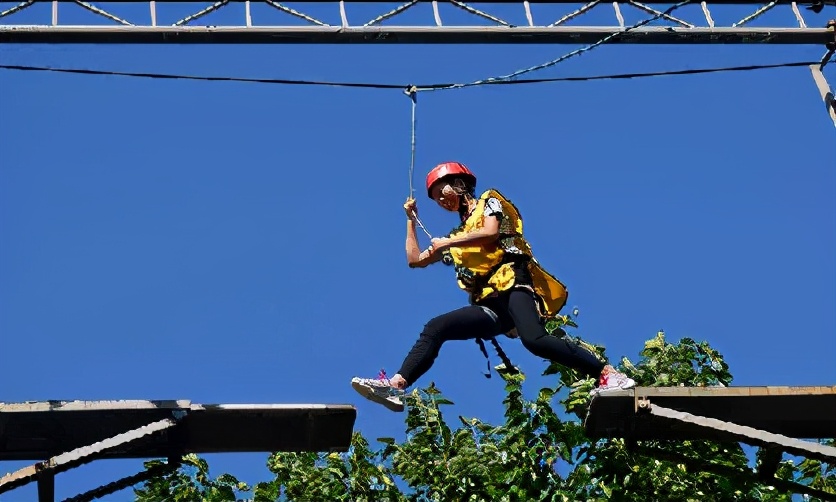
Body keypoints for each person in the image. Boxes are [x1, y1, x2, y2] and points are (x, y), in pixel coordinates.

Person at [351, 161, 635, 412]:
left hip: (514, 284)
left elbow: (490, 233)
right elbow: (415, 260)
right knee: (436, 327)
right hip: (490, 304)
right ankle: (397, 385)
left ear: (460, 185)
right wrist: (411, 222)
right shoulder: (459, 235)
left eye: (443, 192)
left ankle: (607, 373)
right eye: (436, 199)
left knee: (534, 340)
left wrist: (447, 243)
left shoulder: (490, 201)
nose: (441, 201)